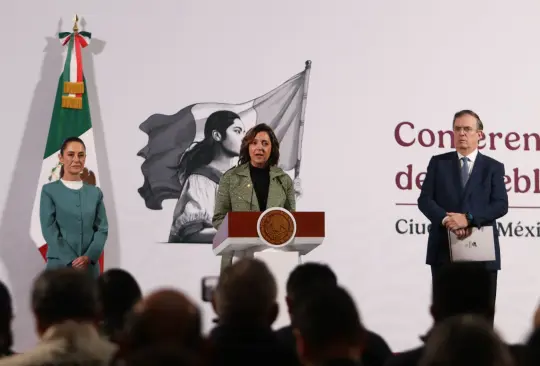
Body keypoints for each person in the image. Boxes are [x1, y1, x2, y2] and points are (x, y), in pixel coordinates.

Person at [417, 110, 508, 306]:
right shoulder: (438, 163)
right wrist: (447, 220)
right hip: (444, 251)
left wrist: (468, 218)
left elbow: (500, 205)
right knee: (445, 319)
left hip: (481, 255)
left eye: (467, 129)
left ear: (479, 135)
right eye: (457, 129)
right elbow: (424, 200)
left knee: (482, 318)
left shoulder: (493, 167)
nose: (462, 134)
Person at [212, 123, 296, 271]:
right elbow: (219, 218)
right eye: (254, 143)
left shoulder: (284, 180)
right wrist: (240, 231)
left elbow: (291, 221)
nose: (259, 148)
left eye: (265, 143)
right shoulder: (230, 178)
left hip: (273, 256)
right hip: (238, 256)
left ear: (272, 149)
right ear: (247, 147)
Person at [169, 110, 245, 243]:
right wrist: (240, 232)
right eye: (237, 131)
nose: (244, 138)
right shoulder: (200, 180)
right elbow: (192, 233)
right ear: (217, 135)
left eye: (244, 133)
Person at [39, 137, 108, 279]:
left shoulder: (95, 193)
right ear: (61, 158)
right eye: (71, 155)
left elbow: (102, 229)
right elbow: (49, 230)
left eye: (81, 155)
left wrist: (89, 257)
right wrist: (72, 260)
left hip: (89, 269)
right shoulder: (49, 191)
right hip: (59, 267)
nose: (76, 159)